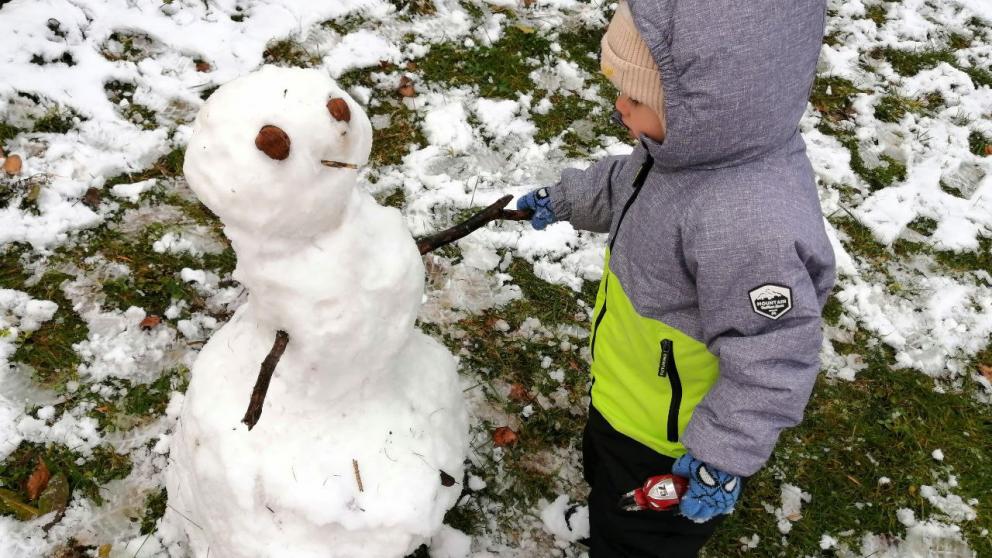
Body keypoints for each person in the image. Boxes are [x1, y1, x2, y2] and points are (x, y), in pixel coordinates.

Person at [516, 0, 835, 556]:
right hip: (629, 389)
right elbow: (627, 186)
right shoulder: (683, 152)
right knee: (607, 472)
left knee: (642, 538)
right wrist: (565, 197)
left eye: (634, 98)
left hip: (671, 439)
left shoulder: (750, 226)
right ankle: (606, 513)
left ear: (701, 109)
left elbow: (774, 355)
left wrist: (720, 455)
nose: (619, 107)